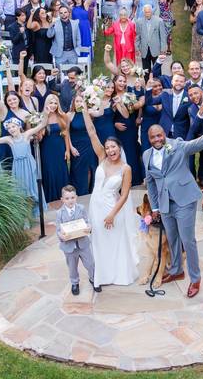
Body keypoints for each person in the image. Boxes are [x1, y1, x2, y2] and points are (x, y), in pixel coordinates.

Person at [144, 108, 203, 299]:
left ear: (164, 134)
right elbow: (151, 183)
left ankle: (195, 278)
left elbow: (199, 143)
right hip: (165, 203)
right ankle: (176, 270)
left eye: (159, 135)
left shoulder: (177, 145)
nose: (157, 139)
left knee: (188, 240)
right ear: (149, 138)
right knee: (172, 238)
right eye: (153, 137)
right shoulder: (146, 156)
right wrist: (155, 208)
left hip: (184, 199)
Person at [81, 105, 139, 287]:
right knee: (98, 241)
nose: (110, 150)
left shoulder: (126, 168)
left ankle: (117, 274)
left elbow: (124, 195)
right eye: (107, 148)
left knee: (113, 241)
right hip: (96, 207)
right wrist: (83, 107)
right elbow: (91, 132)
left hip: (112, 208)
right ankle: (101, 275)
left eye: (113, 147)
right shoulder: (101, 158)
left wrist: (112, 214)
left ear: (119, 148)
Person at [0, 116, 48, 217]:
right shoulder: (9, 139)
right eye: (9, 128)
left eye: (13, 126)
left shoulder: (26, 135)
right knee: (22, 192)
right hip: (18, 168)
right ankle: (25, 217)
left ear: (19, 126)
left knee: (31, 190)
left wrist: (46, 112)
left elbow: (42, 124)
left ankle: (33, 214)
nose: (11, 129)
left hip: (29, 166)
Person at [55, 185, 99, 296]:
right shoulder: (59, 213)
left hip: (83, 243)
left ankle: (93, 279)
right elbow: (58, 230)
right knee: (72, 267)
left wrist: (89, 227)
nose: (70, 201)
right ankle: (75, 283)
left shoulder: (81, 208)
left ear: (76, 197)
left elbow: (87, 221)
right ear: (62, 199)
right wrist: (62, 236)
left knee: (90, 263)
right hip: (69, 246)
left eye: (72, 198)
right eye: (67, 198)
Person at [39, 94, 72, 203]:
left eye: (55, 103)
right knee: (49, 172)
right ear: (46, 104)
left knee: (61, 171)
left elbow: (66, 134)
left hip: (60, 148)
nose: (53, 105)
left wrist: (67, 150)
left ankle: (63, 197)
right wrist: (45, 117)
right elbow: (40, 136)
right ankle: (50, 199)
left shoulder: (63, 116)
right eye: (51, 103)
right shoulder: (41, 117)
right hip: (47, 150)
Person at [135, 4, 167, 70]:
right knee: (146, 70)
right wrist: (137, 48)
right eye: (146, 12)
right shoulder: (139, 22)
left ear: (151, 11)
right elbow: (138, 36)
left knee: (157, 69)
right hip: (144, 49)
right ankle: (147, 80)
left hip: (156, 49)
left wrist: (163, 49)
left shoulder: (159, 21)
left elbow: (163, 37)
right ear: (143, 12)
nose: (147, 14)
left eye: (149, 12)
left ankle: (157, 80)